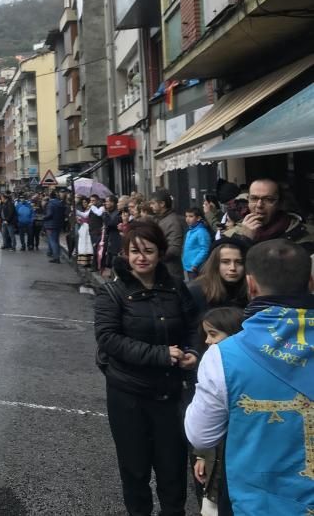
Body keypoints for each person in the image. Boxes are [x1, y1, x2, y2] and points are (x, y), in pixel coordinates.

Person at [185, 240, 314, 515]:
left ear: (251, 285)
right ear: (311, 282)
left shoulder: (222, 356)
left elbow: (201, 435)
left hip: (258, 505)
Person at [95, 219, 199, 516]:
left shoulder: (177, 287)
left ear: (160, 252)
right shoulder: (112, 292)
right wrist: (160, 355)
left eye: (148, 251)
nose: (141, 257)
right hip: (128, 396)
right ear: (125, 254)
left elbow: (193, 326)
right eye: (134, 251)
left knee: (173, 471)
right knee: (135, 471)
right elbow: (108, 339)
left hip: (169, 394)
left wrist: (191, 351)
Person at [190, 306, 243, 516]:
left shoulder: (229, 371)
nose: (207, 341)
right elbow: (206, 416)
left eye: (213, 334)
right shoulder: (212, 364)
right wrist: (201, 456)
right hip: (216, 471)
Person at [223, 177, 314, 251]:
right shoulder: (231, 235)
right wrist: (245, 240)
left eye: (268, 199)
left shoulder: (304, 235)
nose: (259, 205)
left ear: (280, 203)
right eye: (254, 198)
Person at [187, 240, 249, 317]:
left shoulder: (250, 291)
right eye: (225, 262)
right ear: (215, 264)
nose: (233, 268)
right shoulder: (196, 291)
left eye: (239, 262)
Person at [150, 189, 185, 279]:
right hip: (161, 270)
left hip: (170, 272)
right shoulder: (158, 219)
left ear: (162, 204)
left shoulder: (172, 222)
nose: (151, 206)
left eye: (153, 203)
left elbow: (174, 249)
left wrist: (156, 257)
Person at [183, 207, 212, 282]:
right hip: (189, 266)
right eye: (186, 216)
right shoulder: (190, 231)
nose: (187, 219)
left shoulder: (201, 232)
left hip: (196, 267)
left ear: (198, 218)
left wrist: (195, 263)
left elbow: (205, 249)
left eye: (191, 216)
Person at [100, 195, 123, 277]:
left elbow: (110, 224)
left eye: (107, 201)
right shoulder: (109, 212)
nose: (105, 203)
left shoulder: (118, 214)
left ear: (113, 203)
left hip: (116, 241)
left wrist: (105, 215)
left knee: (114, 260)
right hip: (109, 239)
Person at [43, 190, 65, 263]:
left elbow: (49, 214)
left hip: (50, 225)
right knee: (56, 240)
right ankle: (56, 255)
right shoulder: (60, 203)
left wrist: (44, 217)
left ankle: (56, 257)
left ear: (50, 197)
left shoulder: (50, 204)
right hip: (58, 224)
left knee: (53, 241)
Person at [75, 198, 94, 267]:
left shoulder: (91, 209)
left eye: (86, 202)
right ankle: (84, 261)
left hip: (87, 228)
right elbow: (83, 216)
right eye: (83, 202)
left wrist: (77, 213)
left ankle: (88, 261)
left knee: (87, 245)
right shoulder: (86, 210)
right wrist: (79, 219)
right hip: (83, 228)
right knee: (83, 245)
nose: (84, 204)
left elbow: (86, 216)